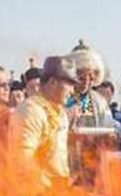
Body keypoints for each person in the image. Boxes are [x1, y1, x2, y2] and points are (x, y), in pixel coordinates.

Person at [9, 56, 78, 188]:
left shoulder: (60, 111)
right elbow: (22, 160)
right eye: (69, 85)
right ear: (52, 82)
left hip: (56, 195)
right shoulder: (31, 111)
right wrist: (50, 186)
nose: (72, 91)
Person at [65, 40, 116, 129]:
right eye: (81, 79)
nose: (86, 83)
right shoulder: (61, 98)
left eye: (90, 79)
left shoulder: (99, 101)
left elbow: (108, 127)